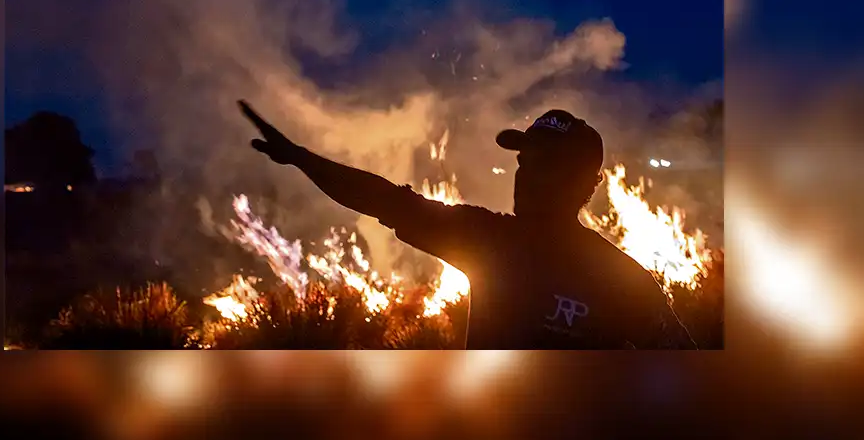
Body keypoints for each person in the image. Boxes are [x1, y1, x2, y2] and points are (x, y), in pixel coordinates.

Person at [238, 100, 698, 349]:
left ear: (583, 184)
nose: (524, 174)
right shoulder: (487, 240)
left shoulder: (621, 280)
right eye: (524, 160)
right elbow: (384, 200)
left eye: (543, 164)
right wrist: (301, 159)